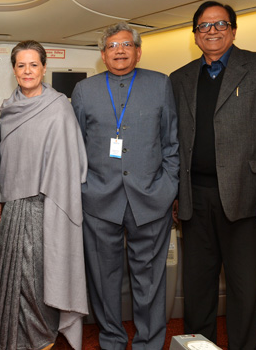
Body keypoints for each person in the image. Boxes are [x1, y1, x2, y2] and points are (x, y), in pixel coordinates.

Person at [170, 1, 256, 349]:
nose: (212, 30)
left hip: (248, 198)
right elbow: (177, 142)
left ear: (234, 30)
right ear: (194, 35)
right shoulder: (180, 78)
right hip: (195, 199)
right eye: (204, 26)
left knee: (243, 287)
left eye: (220, 24)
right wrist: (177, 194)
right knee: (198, 287)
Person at [72, 22, 179, 349]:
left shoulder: (160, 85)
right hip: (99, 200)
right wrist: (83, 190)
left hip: (150, 200)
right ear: (103, 55)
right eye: (112, 47)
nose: (119, 51)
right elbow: (74, 147)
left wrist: (167, 187)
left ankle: (149, 342)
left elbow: (171, 143)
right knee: (104, 279)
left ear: (138, 51)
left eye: (126, 45)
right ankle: (112, 340)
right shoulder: (83, 90)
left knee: (150, 280)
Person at [0, 40, 89, 350]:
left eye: (34, 64)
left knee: (37, 275)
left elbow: (72, 162)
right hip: (15, 204)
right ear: (14, 70)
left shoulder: (59, 108)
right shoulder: (7, 108)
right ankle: (11, 335)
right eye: (21, 65)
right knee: (10, 274)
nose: (28, 70)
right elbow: (3, 158)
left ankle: (40, 336)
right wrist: (1, 195)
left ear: (44, 68)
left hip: (48, 203)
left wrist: (54, 199)